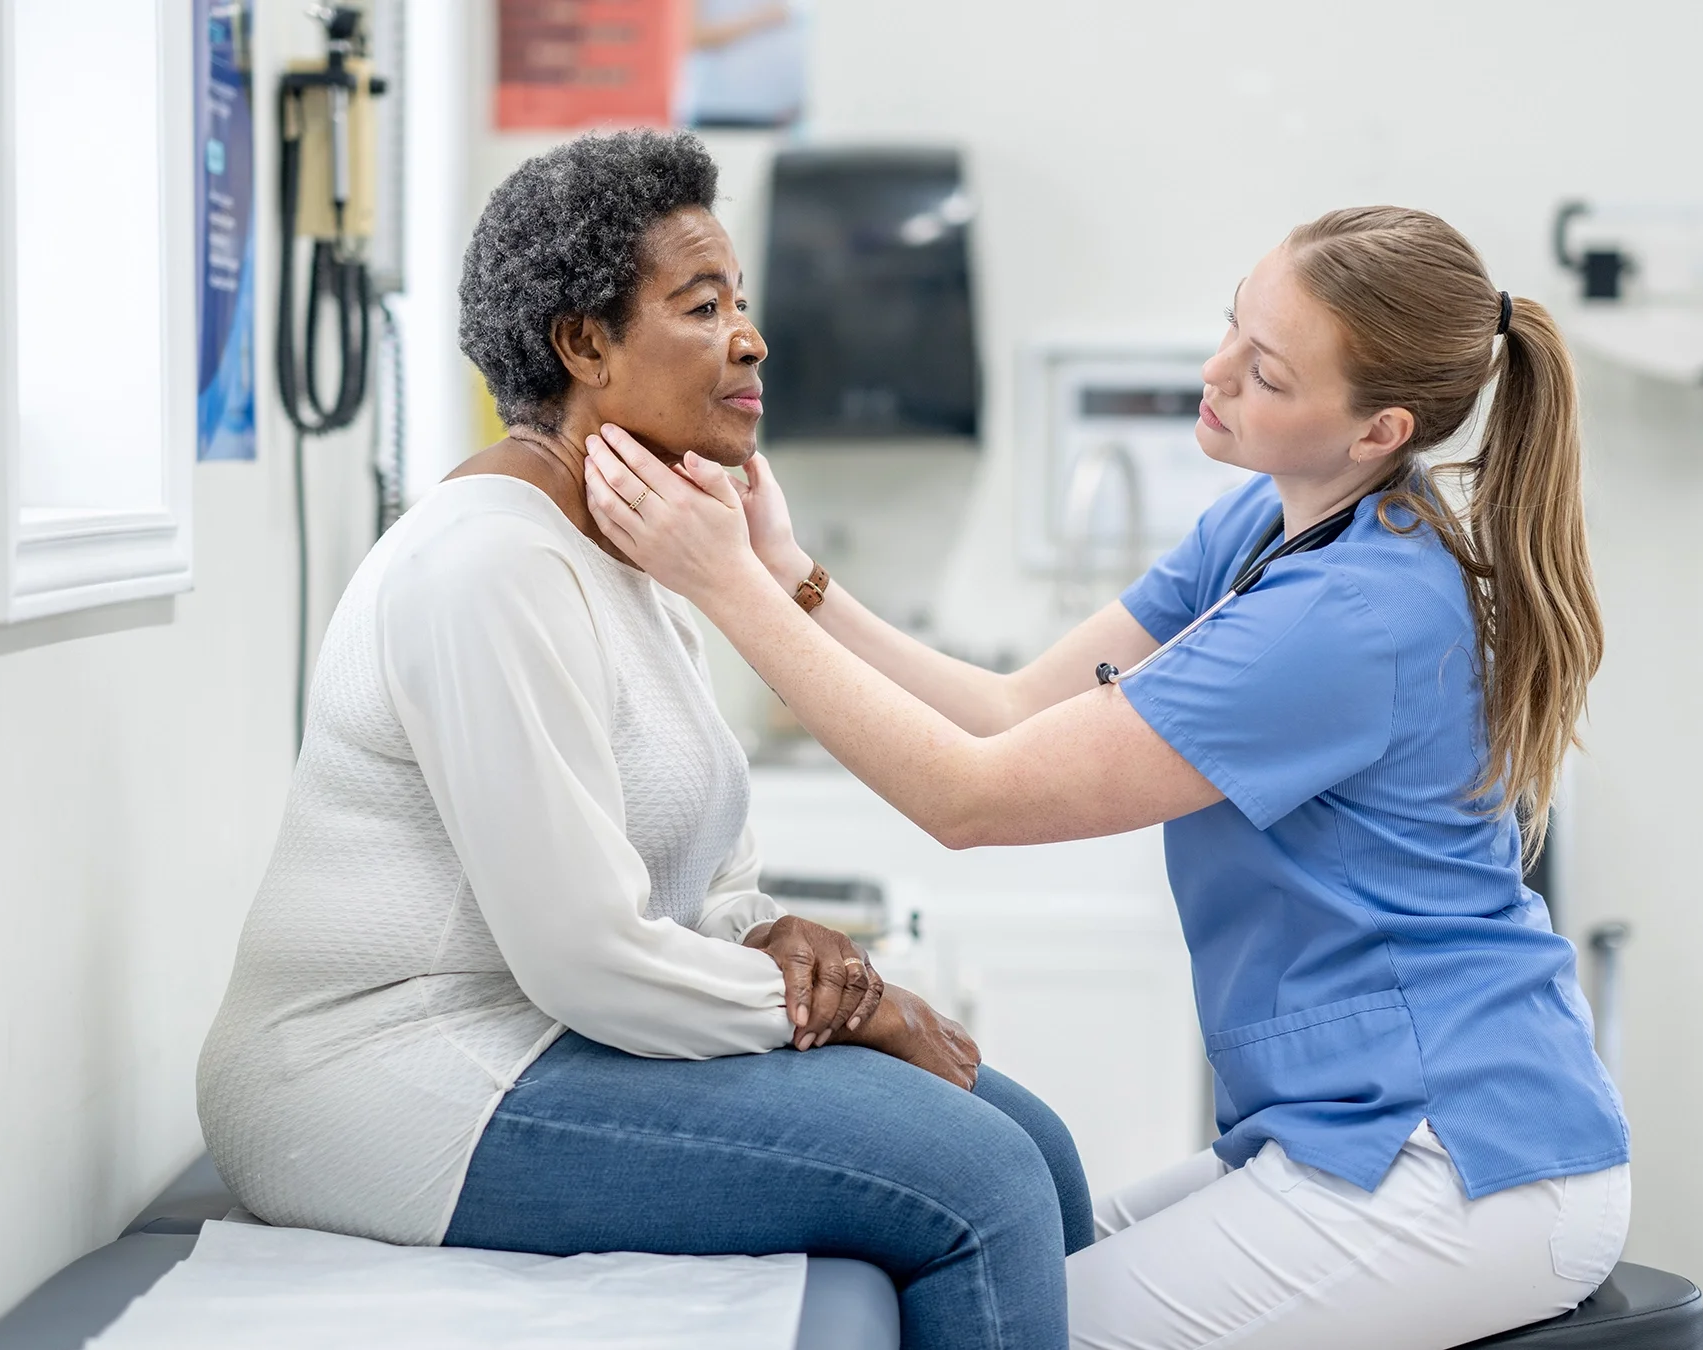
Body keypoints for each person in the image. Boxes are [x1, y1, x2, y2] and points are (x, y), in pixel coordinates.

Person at [583, 205, 1633, 1348]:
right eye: (1234, 323)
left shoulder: (1349, 617)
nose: (1217, 372)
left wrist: (723, 586)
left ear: (1378, 429)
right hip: (1356, 1126)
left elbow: (970, 798)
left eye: (1267, 374)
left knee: (1018, 1323)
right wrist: (787, 573)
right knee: (1017, 1262)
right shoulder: (1270, 527)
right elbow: (1008, 708)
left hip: (1463, 1165)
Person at [195, 131, 1088, 1350]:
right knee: (980, 1184)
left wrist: (773, 938)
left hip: (541, 1036)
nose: (752, 339)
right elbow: (587, 955)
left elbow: (700, 876)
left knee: (1032, 1138)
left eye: (744, 302)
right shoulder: (488, 567)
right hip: (381, 1085)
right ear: (584, 344)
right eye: (703, 304)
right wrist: (854, 1006)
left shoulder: (639, 554)